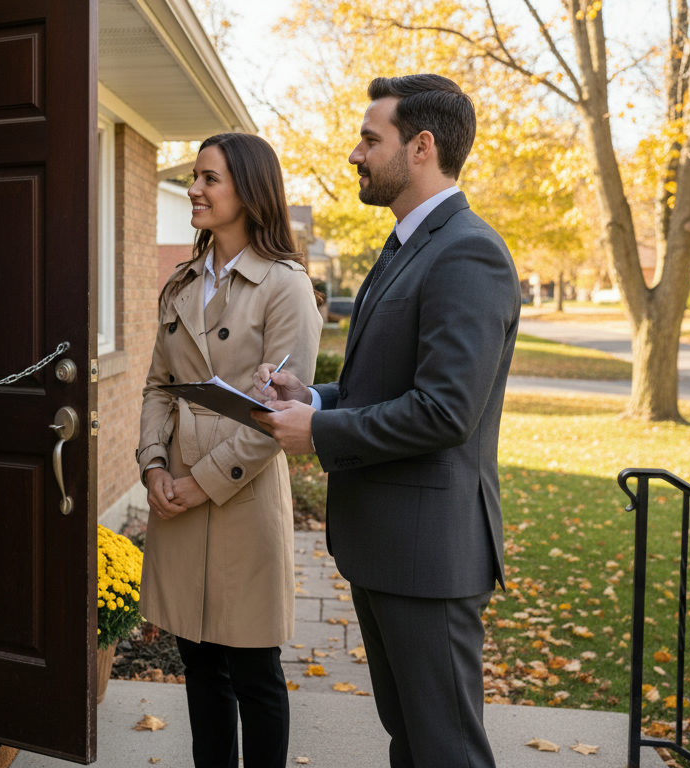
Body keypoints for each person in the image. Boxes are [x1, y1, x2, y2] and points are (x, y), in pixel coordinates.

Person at [253, 74, 521, 768]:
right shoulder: (406, 246)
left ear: (422, 146)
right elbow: (385, 386)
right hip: (386, 549)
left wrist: (319, 435)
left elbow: (445, 410)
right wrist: (312, 399)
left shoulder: (469, 251)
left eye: (371, 139)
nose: (355, 154)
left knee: (446, 750)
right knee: (412, 740)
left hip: (430, 555)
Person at [136, 133, 322, 768]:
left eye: (209, 178)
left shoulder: (286, 285)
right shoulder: (181, 282)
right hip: (178, 493)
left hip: (241, 497)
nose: (194, 188)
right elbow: (157, 385)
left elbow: (280, 411)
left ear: (248, 190)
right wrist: (154, 465)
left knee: (254, 670)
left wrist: (202, 481)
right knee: (199, 664)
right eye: (195, 176)